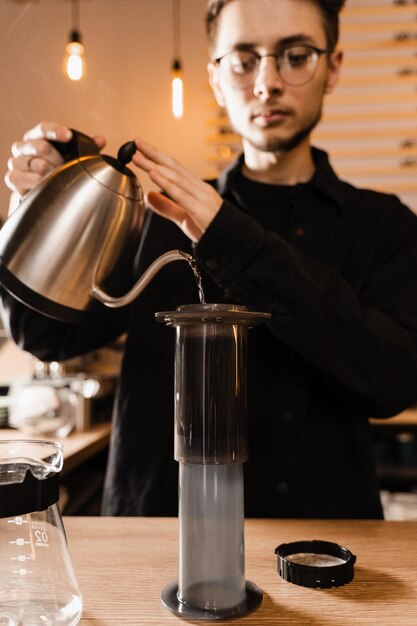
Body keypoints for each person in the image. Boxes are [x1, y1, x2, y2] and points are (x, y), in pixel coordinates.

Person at [3, 0, 417, 519]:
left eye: (295, 54)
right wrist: (39, 215)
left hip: (325, 549)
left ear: (332, 67)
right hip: (153, 544)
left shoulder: (384, 225)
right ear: (216, 79)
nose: (266, 83)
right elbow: (47, 337)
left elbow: (394, 380)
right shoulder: (157, 215)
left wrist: (230, 237)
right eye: (243, 59)